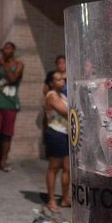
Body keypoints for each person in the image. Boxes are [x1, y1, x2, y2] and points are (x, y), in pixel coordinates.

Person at [0, 42, 23, 172]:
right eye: (4, 49)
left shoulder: (18, 64)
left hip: (10, 104)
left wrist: (2, 64)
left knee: (7, 135)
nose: (5, 51)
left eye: (8, 48)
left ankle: (3, 162)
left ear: (13, 50)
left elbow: (13, 79)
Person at [43, 71, 70, 213]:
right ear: (51, 83)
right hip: (56, 134)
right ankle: (51, 200)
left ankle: (65, 198)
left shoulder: (63, 95)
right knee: (54, 168)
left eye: (62, 79)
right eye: (58, 80)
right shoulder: (52, 96)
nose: (62, 82)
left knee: (67, 168)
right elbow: (66, 112)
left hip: (66, 134)